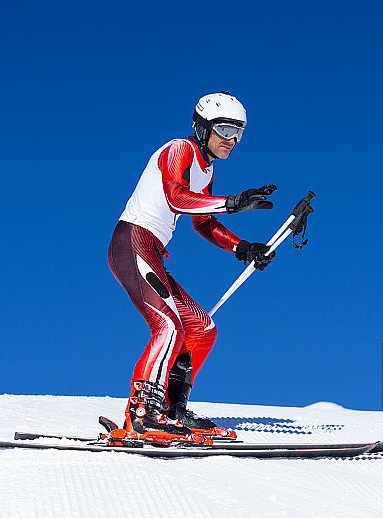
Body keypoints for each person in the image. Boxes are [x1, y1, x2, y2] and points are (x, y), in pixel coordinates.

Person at [108, 91, 277, 437]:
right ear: (202, 127)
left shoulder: (206, 168)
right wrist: (231, 203)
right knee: (168, 326)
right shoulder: (179, 150)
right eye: (226, 130)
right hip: (133, 242)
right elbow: (176, 197)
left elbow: (202, 221)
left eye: (239, 133)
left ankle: (172, 410)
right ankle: (142, 413)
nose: (232, 141)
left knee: (201, 329)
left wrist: (243, 247)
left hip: (152, 250)